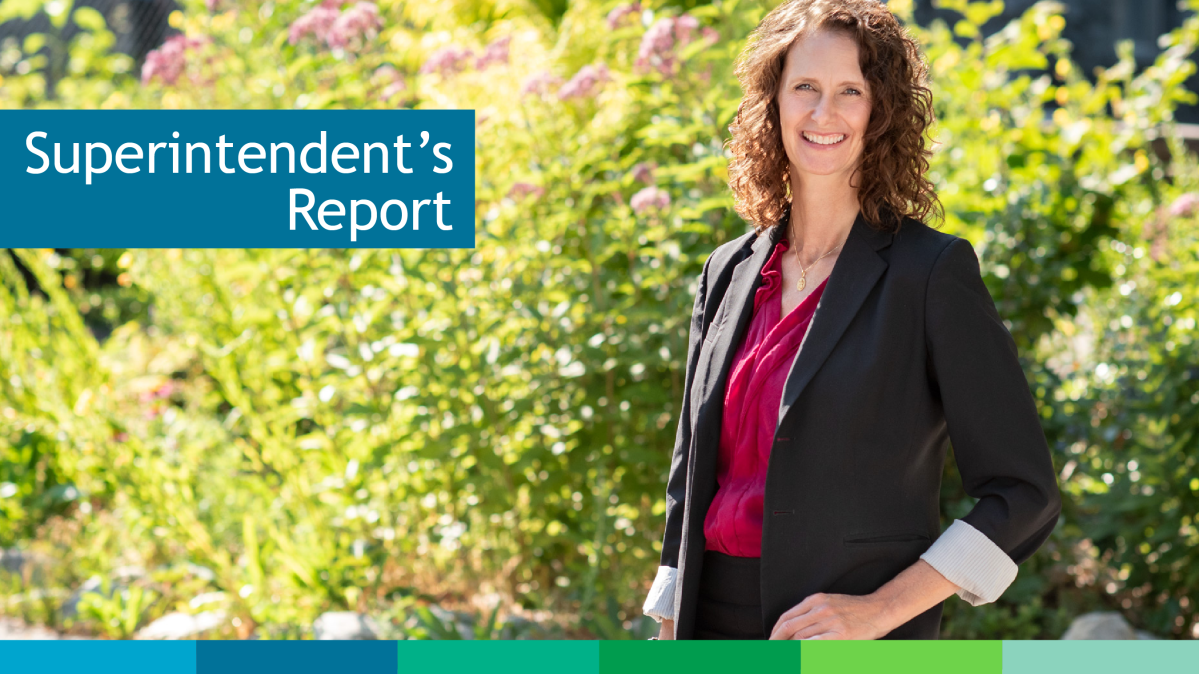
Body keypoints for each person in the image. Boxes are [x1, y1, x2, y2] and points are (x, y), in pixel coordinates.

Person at [642, 0, 1061, 640]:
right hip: (709, 628)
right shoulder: (726, 272)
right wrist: (669, 627)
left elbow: (1023, 494)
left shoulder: (930, 273)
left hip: (846, 641)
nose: (822, 113)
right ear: (772, 102)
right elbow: (689, 480)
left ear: (881, 111)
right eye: (804, 87)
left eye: (850, 91)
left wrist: (882, 611)